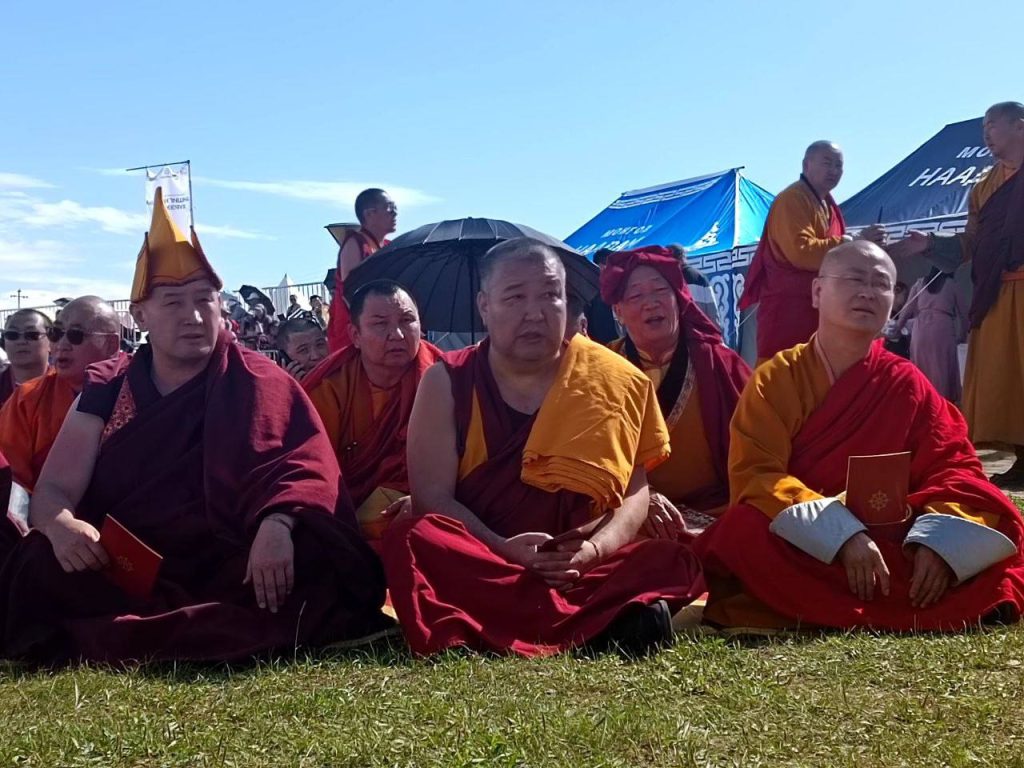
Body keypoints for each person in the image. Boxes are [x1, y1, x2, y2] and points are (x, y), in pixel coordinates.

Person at [0, 188, 390, 663]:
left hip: (235, 559)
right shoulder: (107, 387)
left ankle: (139, 633)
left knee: (316, 551)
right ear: (140, 316)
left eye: (205, 299)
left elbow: (308, 468)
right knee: (40, 559)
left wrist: (278, 521)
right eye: (172, 302)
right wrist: (62, 527)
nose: (194, 316)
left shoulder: (258, 378)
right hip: (129, 565)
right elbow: (54, 490)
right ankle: (209, 629)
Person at [381, 238, 704, 657]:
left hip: (576, 561)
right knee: (413, 536)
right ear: (484, 306)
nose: (534, 313)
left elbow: (634, 491)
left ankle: (490, 625)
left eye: (551, 295)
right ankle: (600, 623)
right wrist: (504, 547)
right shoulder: (447, 381)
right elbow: (431, 497)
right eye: (515, 297)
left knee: (671, 560)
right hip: (487, 554)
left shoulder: (609, 378)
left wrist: (592, 551)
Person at [695, 241, 1024, 632]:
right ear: (817, 292)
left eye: (882, 284)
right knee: (742, 532)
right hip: (806, 541)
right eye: (854, 279)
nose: (868, 292)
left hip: (894, 539)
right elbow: (756, 475)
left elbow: (954, 464)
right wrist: (841, 534)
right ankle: (921, 605)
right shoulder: (777, 378)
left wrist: (938, 540)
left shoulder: (906, 382)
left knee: (1001, 527)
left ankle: (829, 602)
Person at [897, 102, 1024, 485]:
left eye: (993, 126)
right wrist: (930, 243)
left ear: (1020, 126)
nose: (986, 134)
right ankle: (1021, 455)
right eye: (983, 127)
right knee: (1006, 376)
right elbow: (971, 241)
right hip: (999, 291)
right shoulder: (984, 186)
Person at [602, 247, 751, 537]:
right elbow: (592, 457)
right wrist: (641, 498)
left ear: (679, 300)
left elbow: (760, 444)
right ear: (618, 311)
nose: (651, 303)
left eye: (661, 290)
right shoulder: (603, 366)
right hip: (633, 512)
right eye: (636, 296)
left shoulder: (719, 362)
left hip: (719, 508)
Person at [304, 280, 445, 548]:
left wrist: (427, 499)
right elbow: (311, 466)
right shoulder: (331, 387)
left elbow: (468, 464)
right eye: (380, 324)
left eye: (407, 320)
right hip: (346, 515)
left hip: (424, 509)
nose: (398, 335)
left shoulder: (445, 377)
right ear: (355, 335)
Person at [740, 141, 886, 363]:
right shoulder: (792, 199)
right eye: (827, 163)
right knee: (783, 377)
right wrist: (852, 241)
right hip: (790, 310)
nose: (834, 171)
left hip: (822, 309)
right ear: (806, 165)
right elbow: (801, 252)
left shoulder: (828, 206)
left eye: (839, 165)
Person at [0, 297, 121, 493]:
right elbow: (11, 480)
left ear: (110, 344)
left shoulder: (136, 390)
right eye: (56, 333)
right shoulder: (28, 399)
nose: (61, 345)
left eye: (75, 335)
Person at [327, 189, 397, 351]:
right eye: (389, 208)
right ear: (370, 214)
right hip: (356, 331)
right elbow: (351, 291)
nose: (395, 213)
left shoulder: (388, 246)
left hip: (385, 325)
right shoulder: (355, 242)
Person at [893, 268, 966, 402]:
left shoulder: (919, 283)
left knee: (922, 367)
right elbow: (964, 315)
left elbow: (906, 310)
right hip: (943, 330)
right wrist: (962, 336)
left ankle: (922, 400)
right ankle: (942, 403)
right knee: (941, 369)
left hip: (920, 330)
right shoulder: (953, 285)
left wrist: (897, 329)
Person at [0, 310, 52, 408]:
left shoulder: (69, 386)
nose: (21, 341)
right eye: (12, 335)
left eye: (32, 335)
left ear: (51, 341)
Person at [667, 244, 723, 331]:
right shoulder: (700, 277)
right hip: (701, 332)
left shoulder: (668, 280)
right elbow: (712, 311)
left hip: (680, 335)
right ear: (683, 256)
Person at [275, 317, 329, 381]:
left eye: (320, 345)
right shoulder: (280, 390)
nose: (315, 356)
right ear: (285, 358)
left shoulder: (342, 380)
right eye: (303, 350)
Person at [883, 281, 911, 358]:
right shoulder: (882, 312)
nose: (906, 301)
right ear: (897, 290)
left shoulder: (901, 317)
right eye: (905, 296)